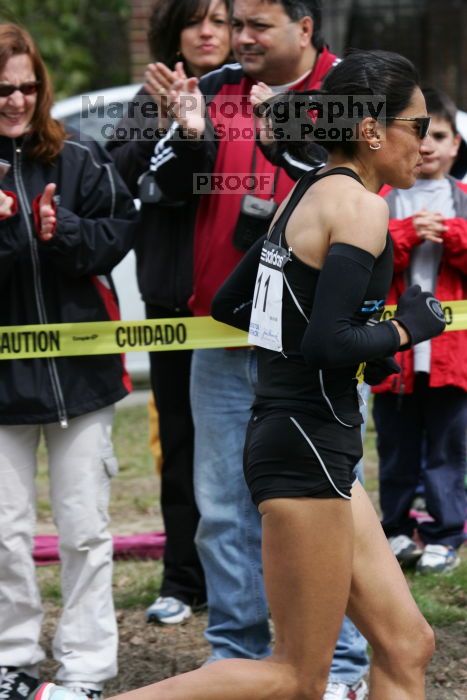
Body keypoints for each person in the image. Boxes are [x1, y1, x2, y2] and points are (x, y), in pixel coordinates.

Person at [32, 47, 446, 700]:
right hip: (306, 443)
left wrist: (351, 342)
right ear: (371, 130)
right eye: (416, 127)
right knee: (293, 677)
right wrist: (403, 328)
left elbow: (233, 304)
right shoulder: (361, 208)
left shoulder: (307, 191)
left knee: (406, 644)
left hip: (307, 433)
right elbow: (326, 344)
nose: (423, 144)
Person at [133, 3, 371, 696]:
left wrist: (281, 136)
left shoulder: (343, 91)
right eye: (237, 24)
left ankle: (340, 664)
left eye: (257, 26)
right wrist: (188, 138)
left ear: (304, 26)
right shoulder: (209, 90)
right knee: (223, 506)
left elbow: (350, 187)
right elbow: (157, 190)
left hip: (310, 343)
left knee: (329, 504)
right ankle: (234, 657)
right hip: (221, 332)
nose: (239, 39)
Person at [0, 23, 136, 700]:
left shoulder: (79, 154)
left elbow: (115, 239)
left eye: (28, 86)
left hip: (81, 378)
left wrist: (63, 232)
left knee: (85, 530)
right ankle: (13, 659)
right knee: (4, 533)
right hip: (2, 389)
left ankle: (85, 667)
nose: (18, 100)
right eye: (4, 89)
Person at [107, 0, 232, 626]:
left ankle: (253, 577)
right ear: (172, 32)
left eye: (219, 19)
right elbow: (115, 179)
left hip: (241, 302)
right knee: (179, 441)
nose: (207, 32)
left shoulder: (248, 93)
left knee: (248, 446)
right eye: (194, 20)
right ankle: (183, 579)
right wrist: (162, 116)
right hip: (172, 304)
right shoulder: (146, 97)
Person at [373, 87, 467, 573]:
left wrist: (453, 234)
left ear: (456, 145)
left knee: (448, 449)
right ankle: (394, 529)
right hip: (396, 352)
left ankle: (446, 532)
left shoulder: (464, 200)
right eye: (418, 132)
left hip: (451, 355)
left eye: (440, 135)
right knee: (395, 446)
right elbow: (366, 258)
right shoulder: (383, 197)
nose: (428, 144)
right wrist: (407, 235)